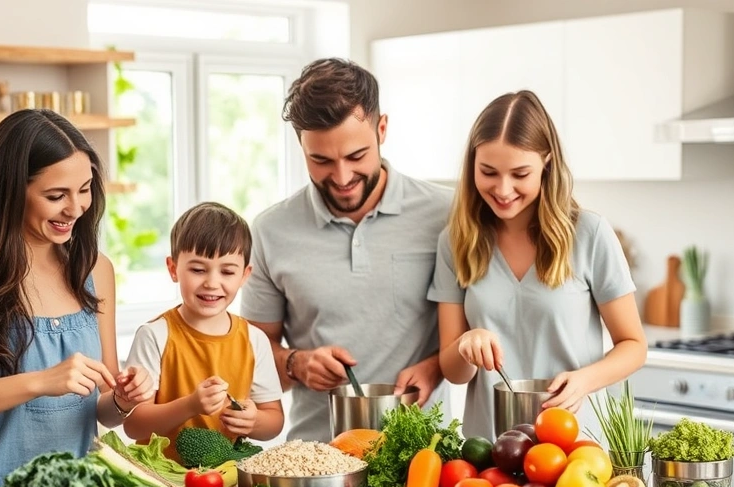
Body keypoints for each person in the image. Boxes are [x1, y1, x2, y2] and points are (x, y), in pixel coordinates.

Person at [0, 109, 154, 487]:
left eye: (85, 189)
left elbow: (102, 405)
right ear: (10, 192)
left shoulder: (95, 270)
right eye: (56, 196)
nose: (76, 208)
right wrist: (40, 381)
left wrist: (123, 400)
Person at [240, 58, 454, 443]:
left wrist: (437, 366)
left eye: (356, 156)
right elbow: (249, 351)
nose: (341, 178)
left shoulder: (448, 214)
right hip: (316, 456)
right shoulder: (271, 230)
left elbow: (481, 323)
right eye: (320, 160)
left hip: (424, 456)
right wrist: (296, 362)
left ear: (382, 129)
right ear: (300, 145)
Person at [428, 90, 647, 442]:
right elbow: (453, 372)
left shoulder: (589, 234)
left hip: (575, 448)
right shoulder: (456, 242)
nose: (503, 189)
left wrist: (585, 380)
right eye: (488, 172)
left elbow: (634, 345)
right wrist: (467, 344)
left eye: (519, 174)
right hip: (490, 451)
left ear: (546, 163)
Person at [122, 202, 284, 451]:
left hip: (225, 480)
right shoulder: (154, 335)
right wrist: (190, 405)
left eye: (227, 272)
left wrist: (253, 421)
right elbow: (134, 425)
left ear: (245, 275)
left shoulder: (255, 339)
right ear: (173, 269)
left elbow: (274, 420)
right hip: (160, 480)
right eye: (198, 269)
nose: (212, 283)